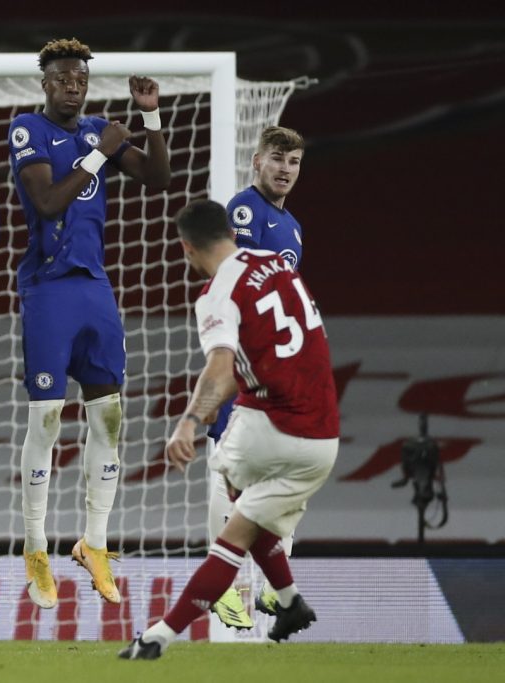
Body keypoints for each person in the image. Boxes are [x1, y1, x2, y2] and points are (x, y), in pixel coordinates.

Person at [119, 199, 338, 660]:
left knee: (231, 529)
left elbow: (220, 368)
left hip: (272, 426)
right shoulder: (277, 263)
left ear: (187, 247)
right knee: (248, 515)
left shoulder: (217, 293)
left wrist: (188, 423)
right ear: (232, 233)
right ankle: (290, 601)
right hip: (324, 438)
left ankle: (157, 637)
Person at [7, 38, 171, 608]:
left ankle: (93, 543)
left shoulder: (99, 129)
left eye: (80, 79)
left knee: (109, 414)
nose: (73, 86)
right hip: (48, 287)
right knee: (47, 417)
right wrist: (100, 154)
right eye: (62, 78)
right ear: (45, 83)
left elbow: (157, 178)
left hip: (95, 287)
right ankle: (35, 546)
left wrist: (150, 117)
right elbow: (48, 202)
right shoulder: (28, 129)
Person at [207, 126, 306, 630]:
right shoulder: (244, 210)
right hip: (244, 361)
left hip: (278, 366)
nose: (285, 168)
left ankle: (271, 584)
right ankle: (221, 585)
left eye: (293, 161)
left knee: (290, 467)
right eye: (277, 158)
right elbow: (236, 282)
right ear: (257, 161)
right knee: (228, 469)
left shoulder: (293, 227)